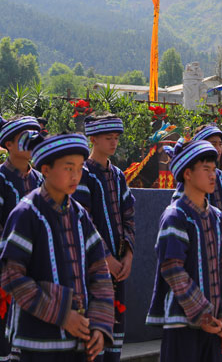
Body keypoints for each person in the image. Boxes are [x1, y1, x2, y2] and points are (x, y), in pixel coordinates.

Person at [0, 133, 114, 362]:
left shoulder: (80, 215)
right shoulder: (26, 213)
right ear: (46, 170)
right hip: (39, 344)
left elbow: (100, 271)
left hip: (83, 342)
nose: (76, 176)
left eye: (79, 168)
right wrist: (63, 316)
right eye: (68, 168)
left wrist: (100, 325)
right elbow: (12, 277)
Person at [146, 139, 222, 362]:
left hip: (216, 325)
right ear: (187, 174)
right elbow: (172, 269)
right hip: (182, 324)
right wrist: (204, 315)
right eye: (206, 169)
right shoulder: (175, 216)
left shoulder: (217, 217)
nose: (212, 176)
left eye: (214, 169)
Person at [0, 115, 44, 362]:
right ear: (9, 144)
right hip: (0, 272)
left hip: (33, 273)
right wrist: (2, 271)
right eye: (25, 136)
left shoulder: (40, 180)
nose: (32, 141)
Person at [74, 114, 136, 362]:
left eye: (116, 138)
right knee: (94, 332)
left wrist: (128, 254)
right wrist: (105, 257)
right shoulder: (83, 174)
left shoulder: (119, 176)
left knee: (115, 334)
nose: (113, 143)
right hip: (93, 267)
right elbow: (84, 221)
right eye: (108, 138)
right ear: (93, 139)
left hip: (119, 265)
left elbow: (128, 215)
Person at [173, 124, 222, 230]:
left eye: (220, 144)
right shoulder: (190, 177)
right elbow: (178, 211)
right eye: (213, 144)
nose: (218, 149)